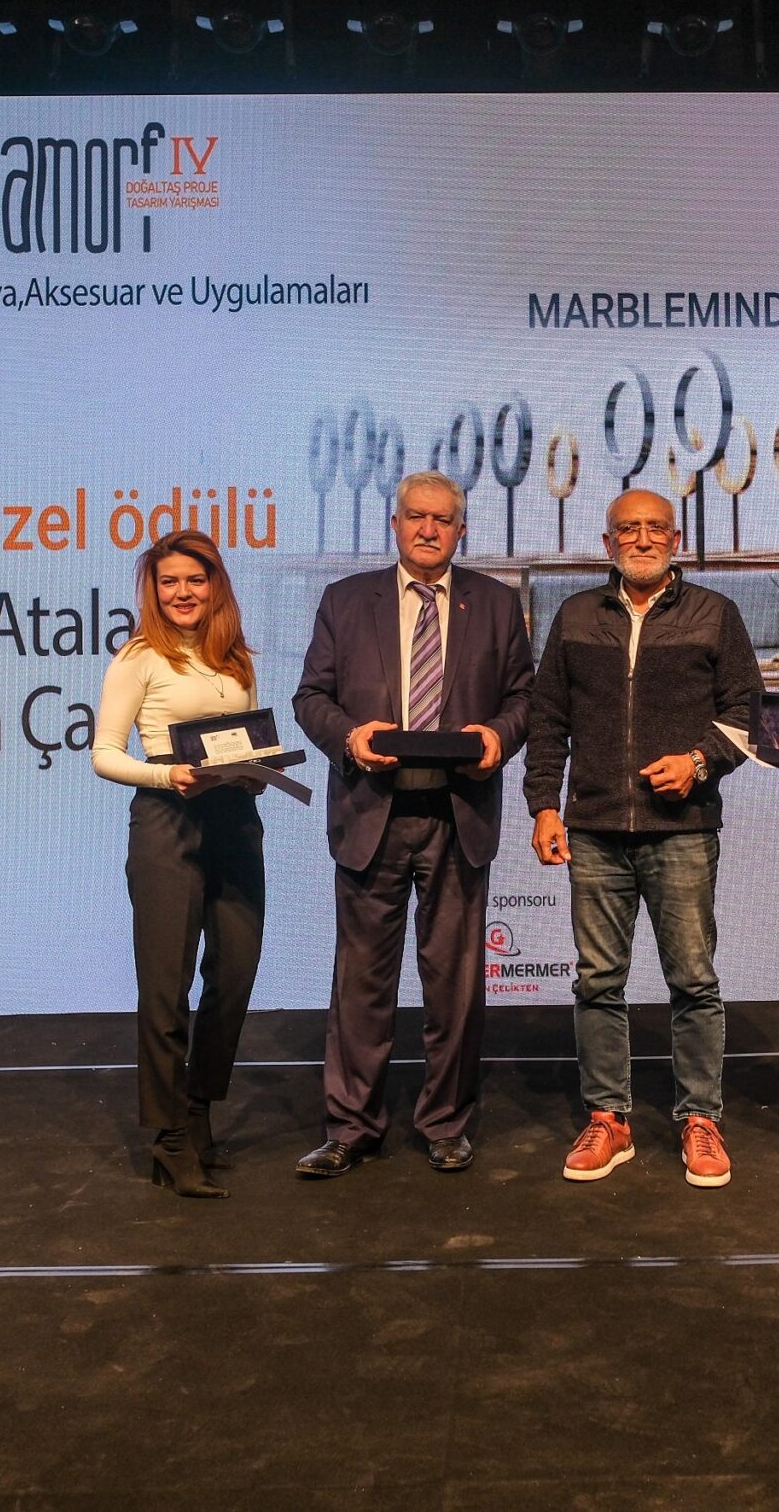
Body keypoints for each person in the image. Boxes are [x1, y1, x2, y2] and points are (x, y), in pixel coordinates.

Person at [291, 470, 532, 1177]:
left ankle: (446, 1123)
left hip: (458, 814)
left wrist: (498, 736)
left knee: (455, 986)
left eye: (443, 519)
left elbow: (524, 697)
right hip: (373, 812)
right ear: (394, 524)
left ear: (462, 530)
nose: (429, 529)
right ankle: (350, 1127)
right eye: (416, 517)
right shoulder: (345, 600)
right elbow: (311, 697)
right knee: (360, 983)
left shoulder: (497, 602)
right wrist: (349, 736)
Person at [524, 487, 759, 1187]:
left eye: (656, 527)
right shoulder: (575, 616)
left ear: (676, 539)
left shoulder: (715, 613)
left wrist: (699, 762)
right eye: (629, 529)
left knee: (693, 980)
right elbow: (547, 718)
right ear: (609, 543)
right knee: (598, 980)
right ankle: (609, 1118)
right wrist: (543, 806)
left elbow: (748, 711)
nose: (644, 538)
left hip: (682, 830)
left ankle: (700, 1118)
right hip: (594, 830)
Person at [91, 530, 268, 1200]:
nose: (183, 592)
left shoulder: (236, 657)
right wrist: (168, 775)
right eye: (169, 581)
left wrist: (257, 772)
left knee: (236, 973)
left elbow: (248, 739)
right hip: (168, 820)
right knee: (166, 987)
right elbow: (104, 753)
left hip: (234, 819)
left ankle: (198, 1110)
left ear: (214, 584)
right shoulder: (138, 657)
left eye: (195, 579)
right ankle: (169, 1139)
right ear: (154, 590)